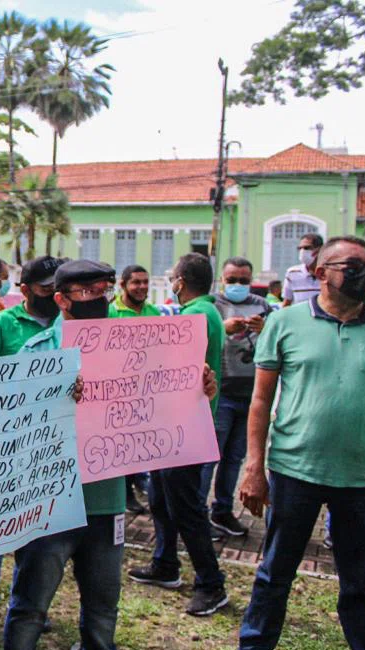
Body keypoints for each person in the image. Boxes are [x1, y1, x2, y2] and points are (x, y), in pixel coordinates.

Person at [5, 259, 217, 650]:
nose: (96, 299)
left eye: (102, 290)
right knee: (30, 609)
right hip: (49, 504)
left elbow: (164, 403)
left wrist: (196, 387)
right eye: (86, 292)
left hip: (106, 503)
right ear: (61, 299)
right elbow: (15, 422)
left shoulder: (136, 347)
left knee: (103, 609)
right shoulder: (36, 351)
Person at [239, 235, 365, 650]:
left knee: (361, 583)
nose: (363, 274)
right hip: (295, 470)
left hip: (364, 478)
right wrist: (254, 467)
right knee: (274, 574)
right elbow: (260, 401)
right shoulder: (284, 322)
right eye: (352, 265)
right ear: (320, 273)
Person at [0, 254, 63, 624]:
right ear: (24, 291)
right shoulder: (3, 323)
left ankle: (31, 604)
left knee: (38, 533)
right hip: (4, 444)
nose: (53, 295)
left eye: (58, 289)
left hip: (50, 445)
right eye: (45, 289)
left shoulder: (72, 324)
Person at [130, 252, 229, 616]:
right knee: (161, 497)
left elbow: (168, 368)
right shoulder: (208, 312)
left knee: (186, 508)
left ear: (180, 282)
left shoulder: (193, 316)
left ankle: (211, 584)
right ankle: (165, 563)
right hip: (173, 424)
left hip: (184, 428)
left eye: (172, 277)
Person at [200, 257, 272, 539]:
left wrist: (263, 330)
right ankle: (199, 513)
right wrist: (223, 327)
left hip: (252, 393)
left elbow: (274, 340)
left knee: (234, 458)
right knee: (210, 457)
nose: (238, 285)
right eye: (232, 280)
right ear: (222, 280)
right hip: (222, 393)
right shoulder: (213, 306)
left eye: (244, 280)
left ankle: (223, 510)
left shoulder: (263, 305)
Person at [109, 264, 161, 515]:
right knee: (121, 446)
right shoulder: (111, 312)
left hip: (146, 392)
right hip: (118, 393)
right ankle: (125, 493)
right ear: (123, 285)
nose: (141, 287)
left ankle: (139, 483)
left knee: (140, 444)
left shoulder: (154, 312)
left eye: (145, 282)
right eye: (136, 283)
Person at [282, 233, 323, 306]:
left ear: (319, 250)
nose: (302, 251)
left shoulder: (329, 273)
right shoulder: (292, 273)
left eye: (307, 248)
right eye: (299, 248)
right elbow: (286, 303)